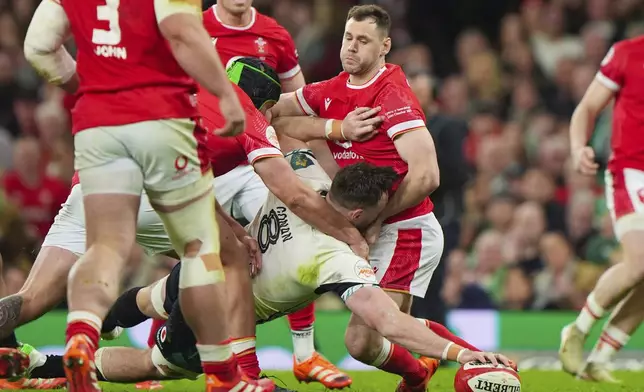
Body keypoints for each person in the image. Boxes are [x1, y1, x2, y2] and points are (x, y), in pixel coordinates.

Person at [0, 58, 368, 390]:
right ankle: (245, 377)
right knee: (233, 260)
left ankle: (68, 342)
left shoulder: (190, 87)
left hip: (93, 184)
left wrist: (233, 228)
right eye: (271, 110)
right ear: (266, 104)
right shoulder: (246, 114)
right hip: (146, 189)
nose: (271, 118)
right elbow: (294, 194)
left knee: (31, 299)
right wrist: (350, 235)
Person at [0, 158, 513, 386]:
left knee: (153, 295)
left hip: (207, 263)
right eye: (382, 210)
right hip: (218, 317)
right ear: (356, 215)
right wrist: (463, 353)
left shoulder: (304, 175)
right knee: (163, 366)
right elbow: (391, 323)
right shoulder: (335, 258)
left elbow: (289, 137)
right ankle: (43, 368)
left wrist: (336, 129)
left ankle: (98, 323)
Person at [21, 0, 272, 390]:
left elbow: (38, 46)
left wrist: (85, 87)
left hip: (98, 122)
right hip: (158, 119)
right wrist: (224, 92)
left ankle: (82, 338)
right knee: (203, 252)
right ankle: (225, 377)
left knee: (105, 247)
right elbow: (183, 33)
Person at [267, 5, 443, 391]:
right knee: (387, 331)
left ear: (385, 46)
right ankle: (420, 375)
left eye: (363, 41)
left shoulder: (392, 96)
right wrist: (335, 127)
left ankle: (471, 364)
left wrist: (378, 218)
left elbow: (428, 174)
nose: (351, 47)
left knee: (362, 340)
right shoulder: (333, 89)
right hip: (369, 224)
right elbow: (274, 115)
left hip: (405, 228)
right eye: (349, 37)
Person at [197, 3, 334, 387]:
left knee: (289, 233)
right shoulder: (194, 27)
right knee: (197, 253)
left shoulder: (275, 35)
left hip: (256, 157)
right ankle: (161, 343)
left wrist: (294, 156)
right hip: (206, 161)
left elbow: (297, 101)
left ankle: (305, 353)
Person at [559, 36, 644, 382]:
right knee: (640, 261)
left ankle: (601, 358)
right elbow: (588, 107)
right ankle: (577, 331)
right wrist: (579, 147)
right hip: (631, 170)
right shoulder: (627, 53)